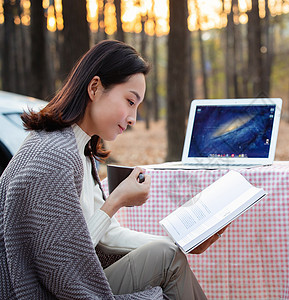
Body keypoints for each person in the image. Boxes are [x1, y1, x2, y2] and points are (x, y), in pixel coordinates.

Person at [0, 40, 225, 299]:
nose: (133, 118)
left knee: (169, 255)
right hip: (43, 290)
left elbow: (107, 234)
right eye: (130, 101)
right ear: (95, 87)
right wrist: (116, 200)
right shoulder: (53, 157)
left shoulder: (78, 147)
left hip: (71, 275)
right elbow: (62, 266)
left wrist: (181, 244)